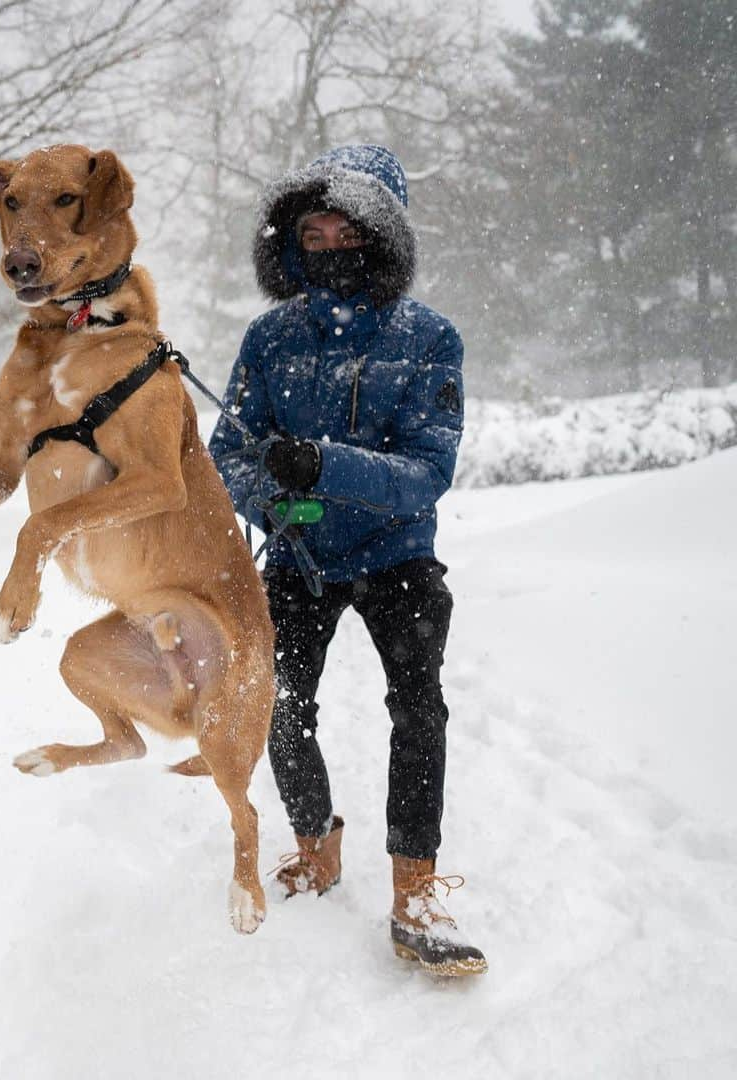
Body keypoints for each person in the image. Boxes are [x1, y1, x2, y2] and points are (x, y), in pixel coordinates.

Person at [208, 145, 486, 976]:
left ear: (382, 235)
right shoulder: (267, 338)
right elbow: (231, 451)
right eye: (313, 231)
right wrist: (276, 500)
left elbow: (425, 473)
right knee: (280, 705)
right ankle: (314, 844)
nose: (329, 244)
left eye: (347, 230)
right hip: (299, 558)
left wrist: (323, 466)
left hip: (398, 556)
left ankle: (416, 889)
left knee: (419, 712)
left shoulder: (431, 339)